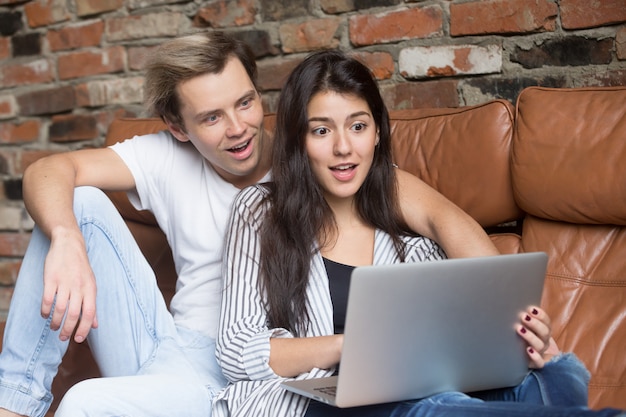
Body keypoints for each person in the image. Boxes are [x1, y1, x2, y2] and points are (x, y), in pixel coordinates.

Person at [0, 32, 501, 417]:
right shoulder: (160, 157)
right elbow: (47, 170)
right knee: (77, 203)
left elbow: (442, 218)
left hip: (232, 370)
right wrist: (67, 239)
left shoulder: (318, 156)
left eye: (244, 103)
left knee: (87, 402)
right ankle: (13, 404)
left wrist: (500, 311)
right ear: (178, 128)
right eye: (211, 118)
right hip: (166, 342)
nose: (238, 128)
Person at [214, 49, 626, 417]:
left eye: (358, 127)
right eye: (321, 130)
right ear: (298, 141)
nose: (344, 147)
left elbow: (472, 313)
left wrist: (521, 336)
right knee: (435, 408)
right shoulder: (261, 211)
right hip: (320, 400)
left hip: (427, 388)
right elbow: (235, 351)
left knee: (553, 377)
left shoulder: (408, 232)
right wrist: (351, 346)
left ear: (378, 133)